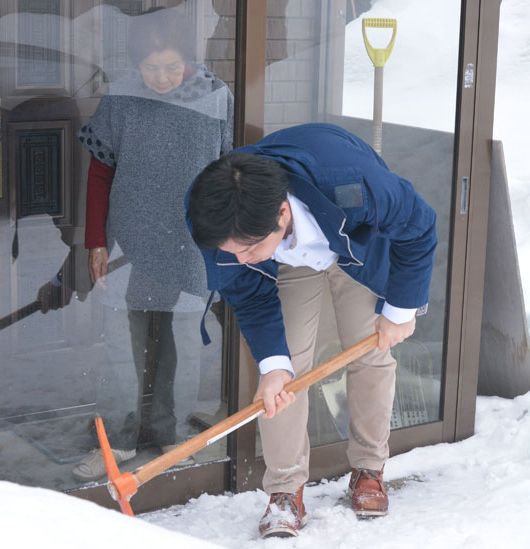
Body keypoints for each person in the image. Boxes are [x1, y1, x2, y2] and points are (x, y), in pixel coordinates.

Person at [187, 123, 436, 538]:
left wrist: (400, 309)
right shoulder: (211, 214)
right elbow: (248, 292)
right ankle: (285, 491)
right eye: (234, 251)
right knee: (282, 378)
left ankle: (369, 469)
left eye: (248, 248)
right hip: (285, 260)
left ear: (282, 213)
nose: (241, 259)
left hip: (352, 241)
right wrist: (273, 364)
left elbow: (419, 224)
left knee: (370, 352)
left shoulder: (352, 182)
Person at [72, 8, 233, 482]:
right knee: (123, 346)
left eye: (172, 67)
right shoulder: (121, 97)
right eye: (151, 68)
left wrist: (227, 240)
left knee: (184, 342)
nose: (162, 78)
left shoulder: (215, 97)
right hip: (130, 242)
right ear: (135, 63)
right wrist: (96, 242)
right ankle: (116, 440)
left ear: (188, 58)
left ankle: (173, 435)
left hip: (192, 242)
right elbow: (100, 173)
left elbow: (228, 172)